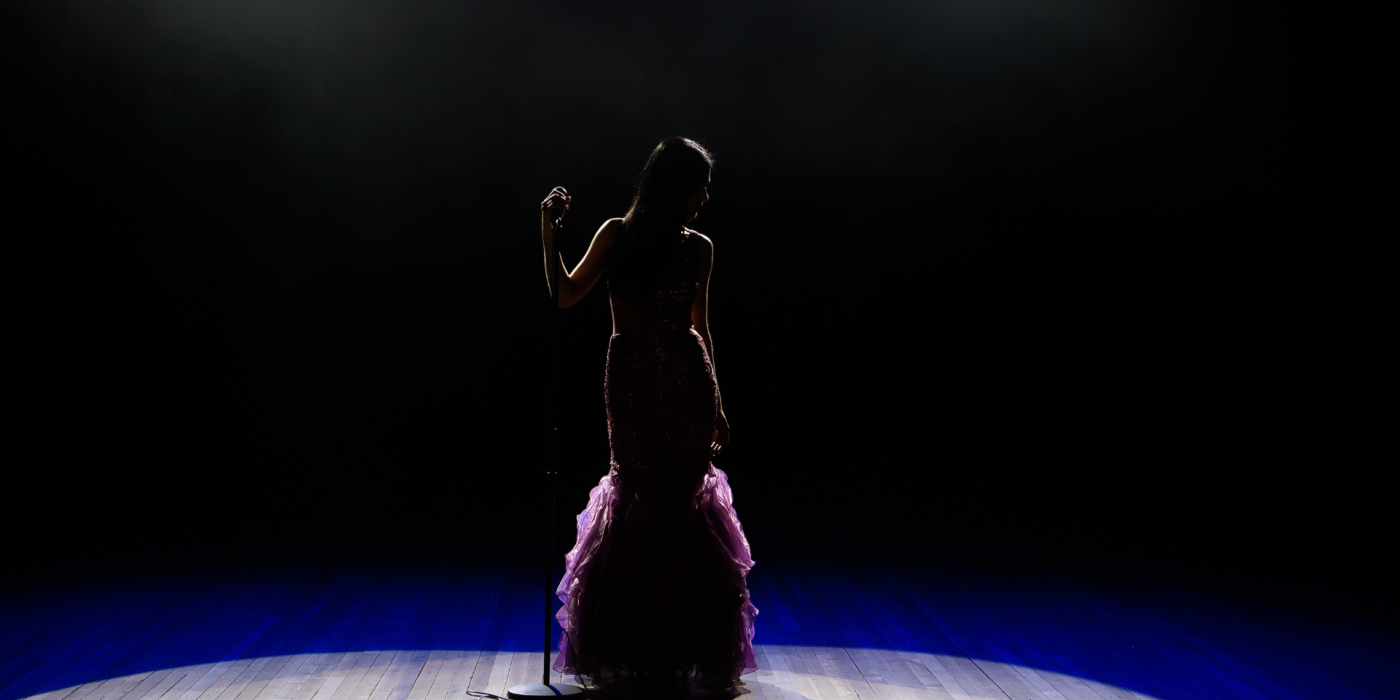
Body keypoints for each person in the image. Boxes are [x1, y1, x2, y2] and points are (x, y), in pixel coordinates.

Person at [539, 137, 757, 693]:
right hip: (632, 381)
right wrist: (548, 235)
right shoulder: (617, 234)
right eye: (699, 185)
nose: (706, 195)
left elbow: (701, 328)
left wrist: (719, 405)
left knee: (684, 502)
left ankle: (682, 648)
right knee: (637, 494)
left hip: (689, 380)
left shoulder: (701, 247)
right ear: (675, 186)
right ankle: (636, 647)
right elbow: (564, 295)